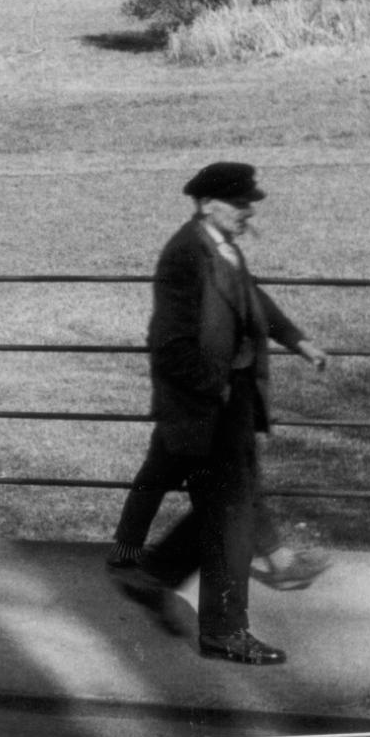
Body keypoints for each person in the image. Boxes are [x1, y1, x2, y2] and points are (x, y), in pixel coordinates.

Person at [104, 161, 330, 666]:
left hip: (229, 403)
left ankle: (155, 576)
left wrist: (296, 340)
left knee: (229, 507)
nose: (249, 212)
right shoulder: (185, 256)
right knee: (228, 517)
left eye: (250, 203)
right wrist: (217, 388)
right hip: (209, 407)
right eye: (240, 203)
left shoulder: (219, 246)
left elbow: (250, 299)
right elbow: (168, 344)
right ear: (209, 204)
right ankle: (223, 632)